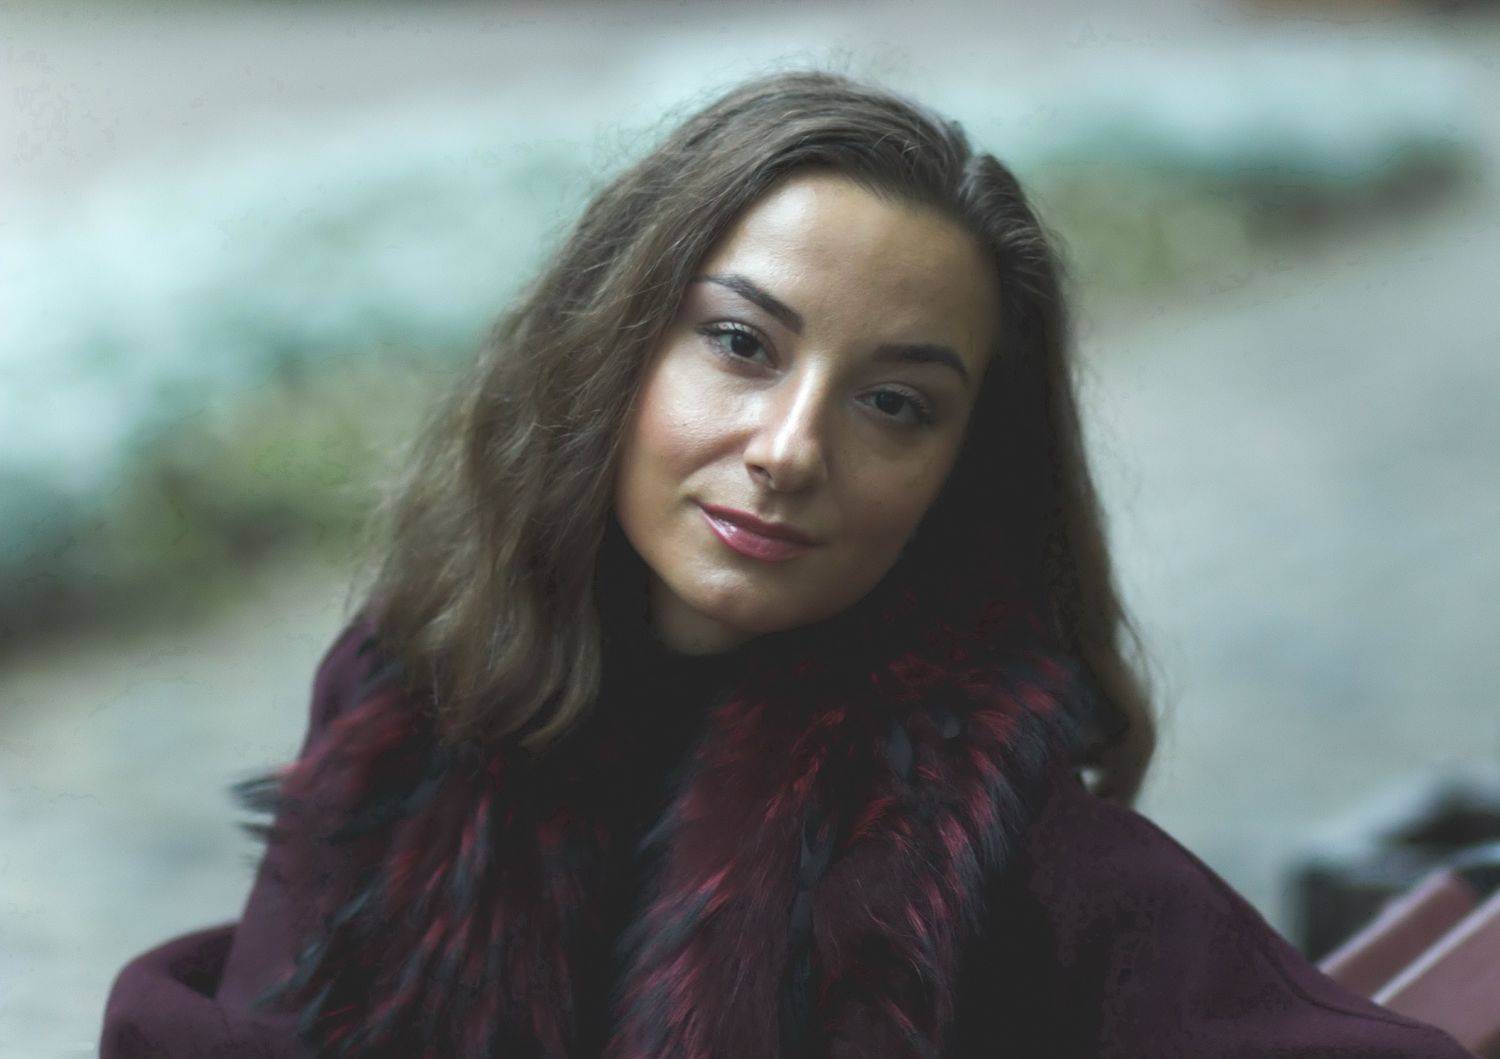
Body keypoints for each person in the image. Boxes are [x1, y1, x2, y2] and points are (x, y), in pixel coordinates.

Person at [100, 70, 1474, 1057]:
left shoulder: (991, 849)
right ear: (616, 346)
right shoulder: (417, 702)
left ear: (960, 474)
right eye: (741, 344)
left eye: (896, 404)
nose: (790, 448)